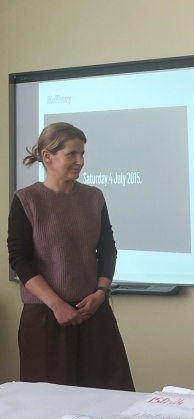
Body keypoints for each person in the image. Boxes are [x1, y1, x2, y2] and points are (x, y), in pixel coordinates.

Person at [7, 122, 134, 391]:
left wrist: (101, 293)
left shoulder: (94, 197)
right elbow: (20, 260)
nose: (80, 161)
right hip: (45, 317)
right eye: (72, 154)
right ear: (47, 156)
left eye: (82, 154)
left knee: (110, 397)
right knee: (49, 402)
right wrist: (57, 305)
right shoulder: (27, 200)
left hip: (93, 313)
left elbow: (107, 249)